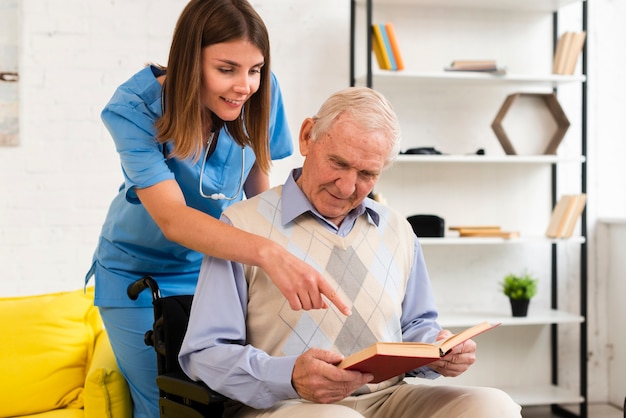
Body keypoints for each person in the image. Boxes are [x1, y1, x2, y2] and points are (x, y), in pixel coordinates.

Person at [179, 86, 522, 418]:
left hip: (390, 398)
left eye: (366, 174)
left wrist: (440, 350)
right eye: (338, 163)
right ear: (307, 136)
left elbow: (417, 326)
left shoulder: (398, 230)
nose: (346, 187)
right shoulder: (241, 226)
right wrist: (290, 376)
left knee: (495, 406)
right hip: (286, 404)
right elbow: (205, 353)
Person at [85, 1, 348, 417]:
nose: (244, 85)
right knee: (169, 404)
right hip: (139, 275)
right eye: (226, 69)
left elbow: (260, 191)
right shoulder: (134, 110)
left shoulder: (263, 91)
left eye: (255, 69)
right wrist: (268, 253)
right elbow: (172, 219)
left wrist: (298, 252)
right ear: (190, 62)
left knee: (232, 395)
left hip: (217, 266)